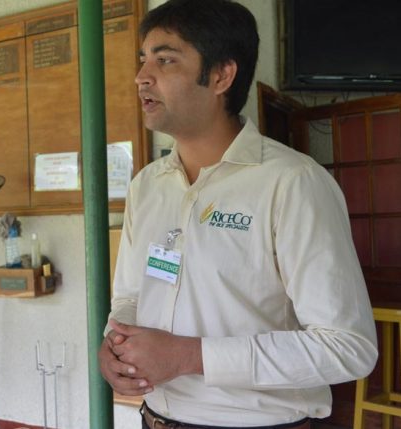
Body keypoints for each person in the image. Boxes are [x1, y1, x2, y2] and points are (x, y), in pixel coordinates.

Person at [99, 0, 377, 427]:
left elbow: (348, 347)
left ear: (220, 76)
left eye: (165, 59)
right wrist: (113, 344)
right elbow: (131, 297)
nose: (142, 77)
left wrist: (190, 357)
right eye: (143, 59)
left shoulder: (291, 182)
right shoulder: (147, 186)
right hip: (154, 418)